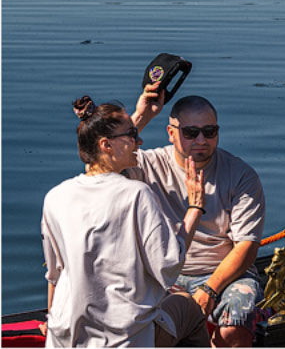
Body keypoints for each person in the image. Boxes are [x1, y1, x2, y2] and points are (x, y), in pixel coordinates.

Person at [42, 97, 209, 347]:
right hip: (124, 339)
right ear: (106, 145)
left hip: (65, 337)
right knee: (189, 308)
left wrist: (51, 320)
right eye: (131, 134)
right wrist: (195, 209)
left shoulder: (55, 197)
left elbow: (55, 274)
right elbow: (168, 267)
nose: (139, 141)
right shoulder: (136, 194)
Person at [131, 91, 265, 347]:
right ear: (171, 133)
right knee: (145, 321)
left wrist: (210, 289)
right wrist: (140, 117)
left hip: (224, 274)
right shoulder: (146, 165)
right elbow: (102, 166)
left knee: (236, 318)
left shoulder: (241, 175)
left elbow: (247, 246)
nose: (201, 140)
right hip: (165, 274)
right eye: (191, 133)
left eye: (210, 131)